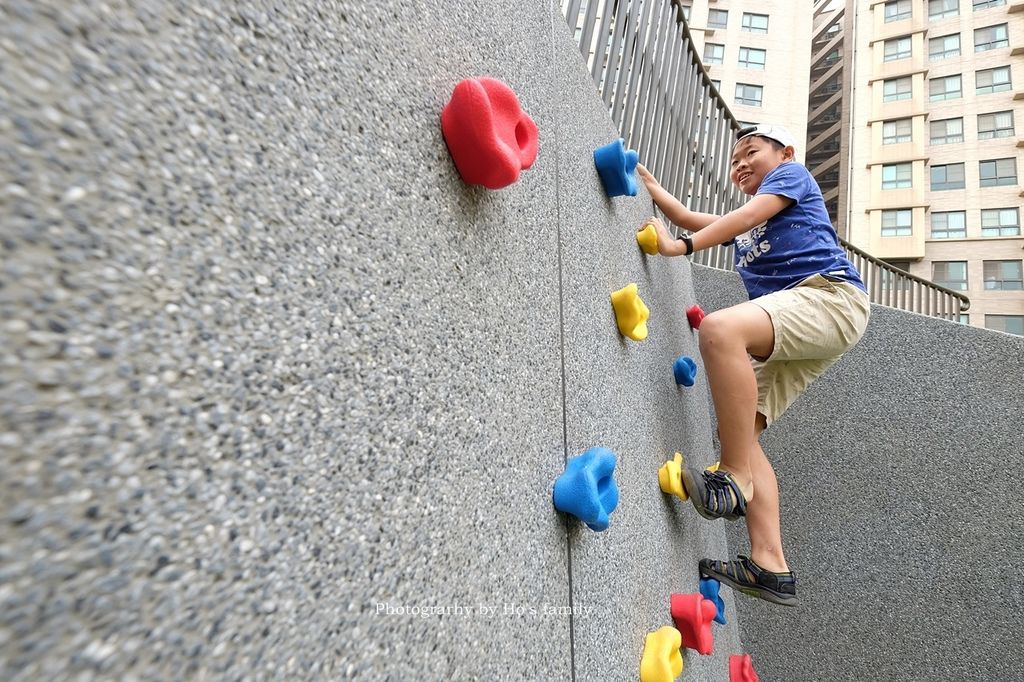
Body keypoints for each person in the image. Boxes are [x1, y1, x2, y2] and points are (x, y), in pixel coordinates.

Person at [636, 124, 870, 607]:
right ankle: (770, 565)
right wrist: (654, 192)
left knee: (720, 330)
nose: (741, 163)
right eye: (734, 159)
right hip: (801, 320)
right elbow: (692, 217)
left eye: (751, 153)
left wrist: (680, 246)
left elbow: (742, 217)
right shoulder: (751, 223)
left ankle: (736, 478)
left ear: (785, 154)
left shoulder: (792, 178)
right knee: (741, 430)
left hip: (829, 299)